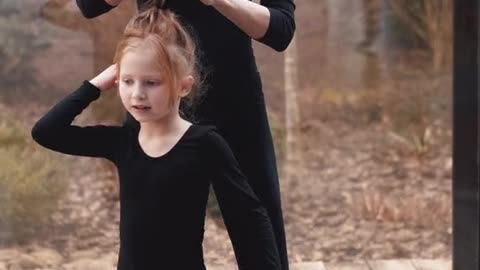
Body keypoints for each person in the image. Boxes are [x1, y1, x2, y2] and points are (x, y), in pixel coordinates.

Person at [31, 7, 281, 270]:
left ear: (184, 86)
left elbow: (251, 217)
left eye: (151, 83)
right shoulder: (123, 142)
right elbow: (46, 132)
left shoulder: (204, 144)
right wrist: (95, 85)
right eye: (127, 81)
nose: (137, 94)